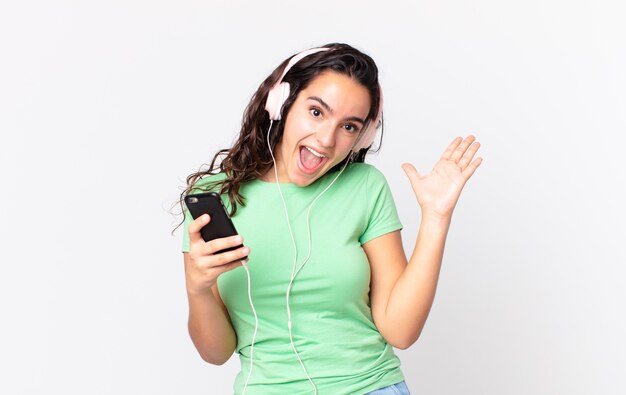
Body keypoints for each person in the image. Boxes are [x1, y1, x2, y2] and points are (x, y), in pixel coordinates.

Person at [178, 43, 482, 394]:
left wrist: (436, 217)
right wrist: (197, 287)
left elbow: (401, 330)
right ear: (281, 104)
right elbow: (215, 353)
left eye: (349, 126)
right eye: (317, 112)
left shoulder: (364, 187)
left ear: (362, 137)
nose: (326, 139)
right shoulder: (217, 196)